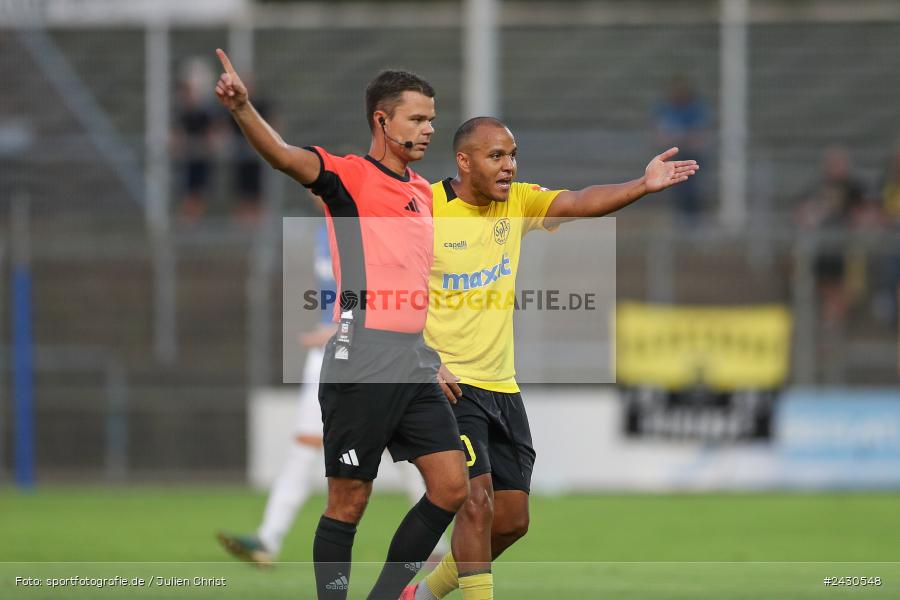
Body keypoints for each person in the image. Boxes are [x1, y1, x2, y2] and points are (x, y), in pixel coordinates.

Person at [404, 117, 698, 600]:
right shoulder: (427, 209)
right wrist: (420, 358)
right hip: (447, 386)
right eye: (496, 156)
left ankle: (422, 595)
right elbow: (385, 290)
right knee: (474, 503)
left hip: (501, 386)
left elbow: (580, 202)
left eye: (512, 155)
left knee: (512, 521)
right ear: (464, 161)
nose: (509, 166)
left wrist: (642, 186)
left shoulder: (518, 200)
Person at [213, 49, 468, 600]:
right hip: (361, 357)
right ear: (382, 120)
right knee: (349, 501)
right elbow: (282, 156)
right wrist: (242, 110)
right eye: (417, 119)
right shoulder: (348, 176)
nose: (429, 129)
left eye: (431, 119)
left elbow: (414, 283)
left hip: (413, 359)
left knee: (451, 488)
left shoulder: (424, 192)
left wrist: (434, 354)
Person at [216, 219, 449, 566]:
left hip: (370, 352)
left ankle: (436, 546)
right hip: (333, 354)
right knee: (307, 446)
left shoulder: (370, 228)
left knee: (403, 451)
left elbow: (388, 292)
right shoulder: (324, 229)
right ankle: (268, 538)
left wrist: (339, 328)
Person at [653, 75, 708, 225]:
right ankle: (680, 224)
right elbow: (661, 135)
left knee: (691, 191)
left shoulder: (694, 109)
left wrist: (679, 138)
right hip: (674, 157)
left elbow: (698, 136)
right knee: (676, 192)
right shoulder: (665, 108)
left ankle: (692, 224)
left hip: (691, 156)